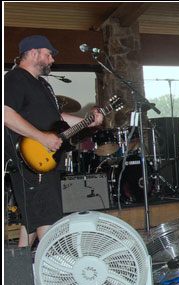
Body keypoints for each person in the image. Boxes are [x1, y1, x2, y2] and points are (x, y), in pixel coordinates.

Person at [4, 35, 104, 248]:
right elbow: (5, 113)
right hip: (29, 160)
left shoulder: (43, 85)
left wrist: (88, 121)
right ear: (33, 53)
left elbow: (57, 119)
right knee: (48, 217)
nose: (51, 60)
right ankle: (56, 269)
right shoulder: (14, 79)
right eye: (48, 54)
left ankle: (19, 272)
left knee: (32, 218)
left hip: (44, 159)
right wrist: (41, 137)